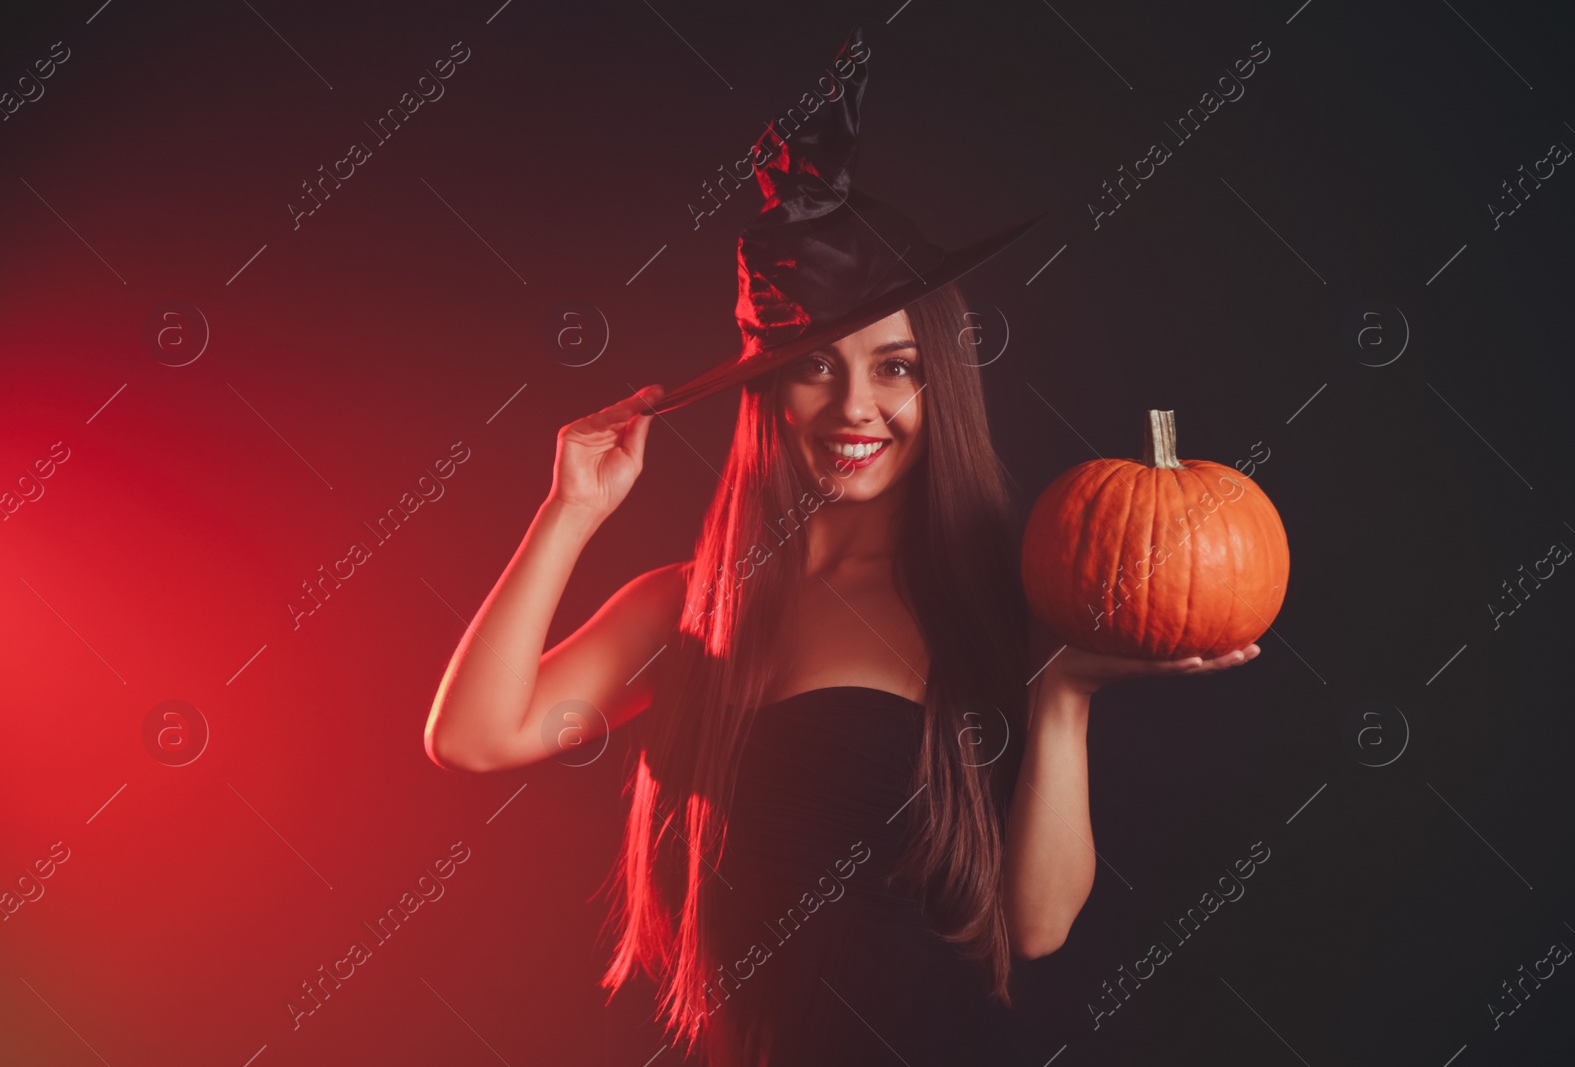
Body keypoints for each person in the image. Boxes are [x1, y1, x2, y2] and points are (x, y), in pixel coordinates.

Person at [423, 27, 1259, 1066]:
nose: (856, 404)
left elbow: (1033, 926)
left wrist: (1066, 692)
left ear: (937, 384)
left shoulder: (1005, 599)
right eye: (815, 367)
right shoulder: (686, 608)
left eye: (896, 368)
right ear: (766, 388)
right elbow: (472, 735)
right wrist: (570, 511)